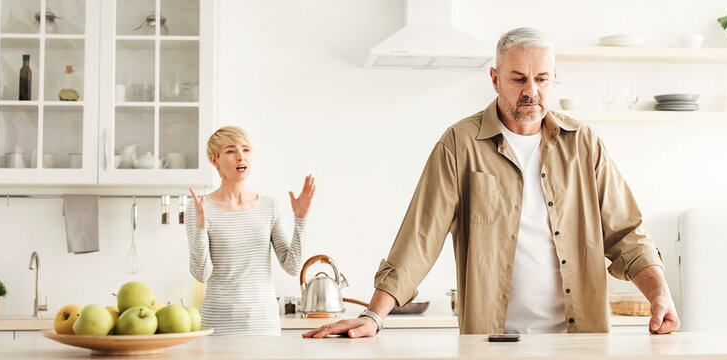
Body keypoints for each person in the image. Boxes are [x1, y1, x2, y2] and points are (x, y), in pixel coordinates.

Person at [304, 28, 678, 338]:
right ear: (495, 78)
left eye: (542, 79)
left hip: (577, 343)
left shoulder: (583, 143)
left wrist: (659, 295)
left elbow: (627, 233)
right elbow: (420, 238)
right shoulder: (459, 144)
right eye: (518, 78)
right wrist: (375, 315)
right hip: (493, 343)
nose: (532, 90)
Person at [187, 126, 316, 336]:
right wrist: (201, 229)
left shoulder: (270, 206)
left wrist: (301, 219)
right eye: (230, 151)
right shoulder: (201, 208)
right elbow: (202, 275)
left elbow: (292, 267)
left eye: (246, 150)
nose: (240, 156)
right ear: (214, 160)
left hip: (263, 324)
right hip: (217, 324)